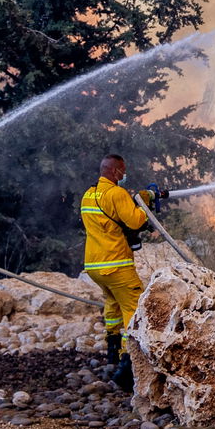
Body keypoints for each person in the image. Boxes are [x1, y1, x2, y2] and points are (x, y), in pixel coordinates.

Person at [80, 153, 158, 390]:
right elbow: (136, 222)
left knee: (112, 304)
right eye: (123, 170)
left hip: (95, 266)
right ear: (114, 171)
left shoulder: (89, 194)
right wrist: (144, 202)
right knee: (135, 310)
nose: (125, 174)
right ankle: (127, 365)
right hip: (116, 265)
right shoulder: (117, 193)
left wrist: (137, 198)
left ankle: (112, 350)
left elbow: (111, 218)